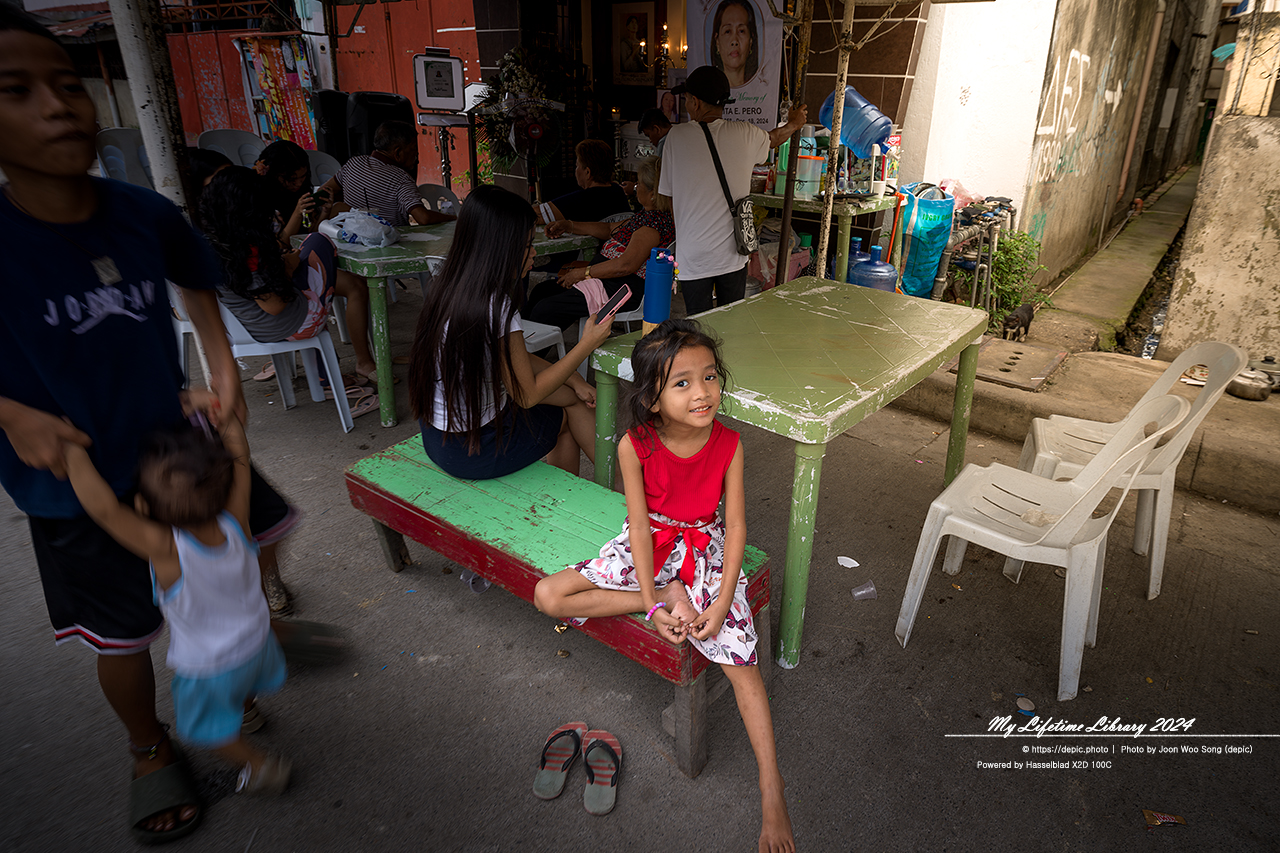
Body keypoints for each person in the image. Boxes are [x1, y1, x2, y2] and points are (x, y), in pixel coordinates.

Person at [0, 7, 250, 841]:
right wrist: (10, 412)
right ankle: (149, 746)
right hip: (68, 475)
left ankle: (240, 643)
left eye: (68, 85)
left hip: (173, 452)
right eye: (18, 91)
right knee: (123, 633)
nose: (57, 106)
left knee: (248, 540)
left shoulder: (143, 212)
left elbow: (195, 281)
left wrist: (222, 372)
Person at [534, 319, 794, 853]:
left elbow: (737, 526)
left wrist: (721, 603)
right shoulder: (636, 445)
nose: (702, 393)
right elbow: (636, 526)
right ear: (651, 397)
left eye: (709, 377)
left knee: (741, 666)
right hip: (650, 542)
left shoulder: (729, 443)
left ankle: (772, 787)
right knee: (547, 595)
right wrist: (654, 603)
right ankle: (665, 595)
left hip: (707, 550)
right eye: (682, 383)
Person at [63, 407, 293, 801]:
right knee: (237, 693)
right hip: (257, 643)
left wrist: (71, 451)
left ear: (144, 509)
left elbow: (103, 509)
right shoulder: (235, 521)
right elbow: (240, 459)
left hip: (210, 667)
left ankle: (257, 765)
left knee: (207, 730)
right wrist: (229, 421)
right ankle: (245, 709)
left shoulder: (166, 549)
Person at [406, 185, 618, 479]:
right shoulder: (496, 306)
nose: (534, 253)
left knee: (572, 398)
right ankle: (619, 491)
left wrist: (574, 379)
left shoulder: (451, 285)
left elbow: (517, 358)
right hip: (475, 450)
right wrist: (586, 345)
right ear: (499, 249)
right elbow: (527, 396)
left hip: (439, 438)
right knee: (568, 415)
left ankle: (612, 489)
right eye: (527, 245)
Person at [201, 166, 380, 395]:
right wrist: (289, 266)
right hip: (285, 324)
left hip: (246, 328)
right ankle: (357, 363)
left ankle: (326, 372)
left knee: (314, 264)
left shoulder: (216, 240)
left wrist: (283, 262)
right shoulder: (248, 249)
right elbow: (274, 305)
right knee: (319, 242)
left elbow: (268, 264)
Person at [661, 66, 806, 315]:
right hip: (733, 255)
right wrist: (794, 123)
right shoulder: (745, 133)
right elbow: (773, 138)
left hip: (693, 257)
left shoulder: (676, 137)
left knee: (699, 325)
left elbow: (667, 196)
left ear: (695, 102)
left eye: (686, 99)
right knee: (732, 323)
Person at [527, 156, 674, 330]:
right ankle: (521, 346)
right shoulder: (646, 216)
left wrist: (584, 273)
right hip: (606, 283)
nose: (635, 187)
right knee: (542, 291)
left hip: (617, 290)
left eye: (639, 183)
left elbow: (625, 265)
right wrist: (570, 225)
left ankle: (527, 353)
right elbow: (609, 228)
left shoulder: (652, 226)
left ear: (652, 194)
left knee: (546, 309)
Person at [319, 120, 453, 227]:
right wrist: (453, 218)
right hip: (390, 246)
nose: (416, 155)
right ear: (398, 153)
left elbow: (322, 192)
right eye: (413, 149)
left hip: (352, 242)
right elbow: (423, 218)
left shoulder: (353, 163)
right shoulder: (401, 179)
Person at [542, 139, 630, 223]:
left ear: (588, 172)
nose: (576, 170)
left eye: (577, 166)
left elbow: (535, 215)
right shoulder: (618, 191)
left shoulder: (582, 199)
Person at [253, 138, 316, 244]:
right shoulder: (260, 198)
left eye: (303, 177)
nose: (298, 183)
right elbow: (281, 245)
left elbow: (310, 232)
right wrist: (297, 214)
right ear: (273, 175)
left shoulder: (301, 190)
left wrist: (324, 212)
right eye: (291, 180)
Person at [711, 0, 760, 88]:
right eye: (728, 31)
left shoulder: (762, 88)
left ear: (750, 41)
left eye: (741, 31)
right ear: (717, 42)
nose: (734, 41)